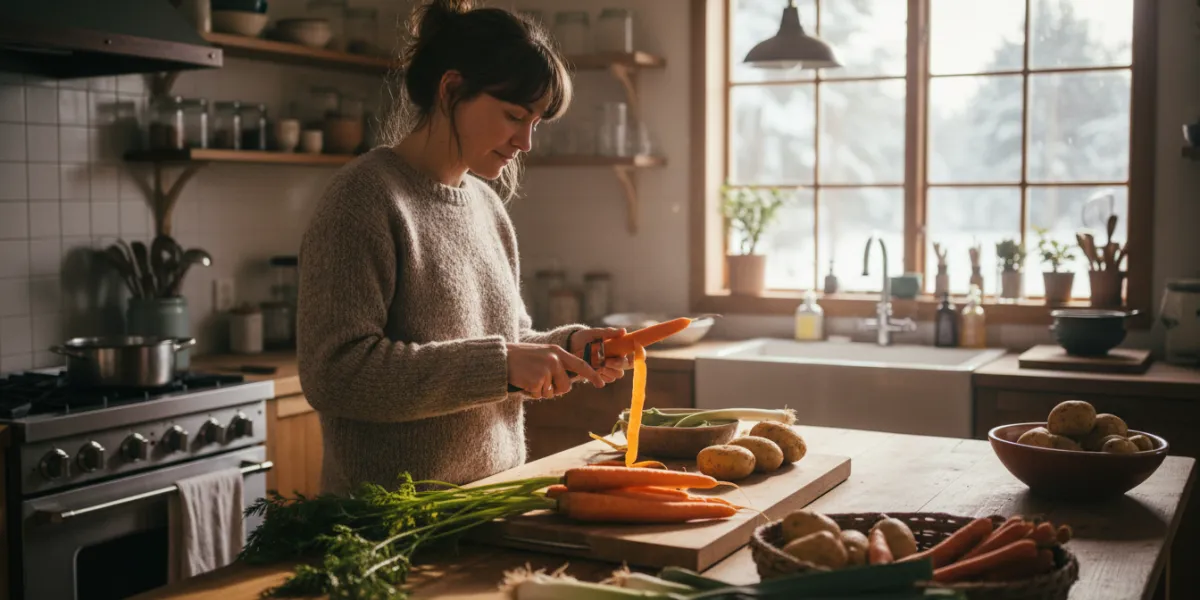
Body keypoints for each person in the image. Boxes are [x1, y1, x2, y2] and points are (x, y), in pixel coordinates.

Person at [296, 0, 631, 495]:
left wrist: (566, 347)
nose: (526, 142)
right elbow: (336, 374)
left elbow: (507, 338)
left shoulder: (485, 206)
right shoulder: (364, 198)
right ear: (452, 89)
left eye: (537, 121)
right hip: (386, 524)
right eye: (515, 115)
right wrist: (500, 366)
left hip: (490, 502)